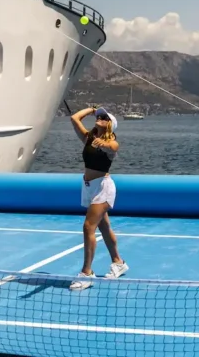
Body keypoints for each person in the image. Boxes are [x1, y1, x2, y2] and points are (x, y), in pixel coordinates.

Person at [68, 106, 128, 291]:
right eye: (99, 116)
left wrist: (104, 144)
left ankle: (87, 273)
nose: (100, 117)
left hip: (103, 187)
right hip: (88, 187)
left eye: (104, 117)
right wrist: (92, 110)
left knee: (88, 227)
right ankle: (118, 262)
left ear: (110, 125)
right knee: (104, 226)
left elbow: (114, 147)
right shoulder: (89, 138)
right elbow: (74, 118)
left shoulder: (111, 143)